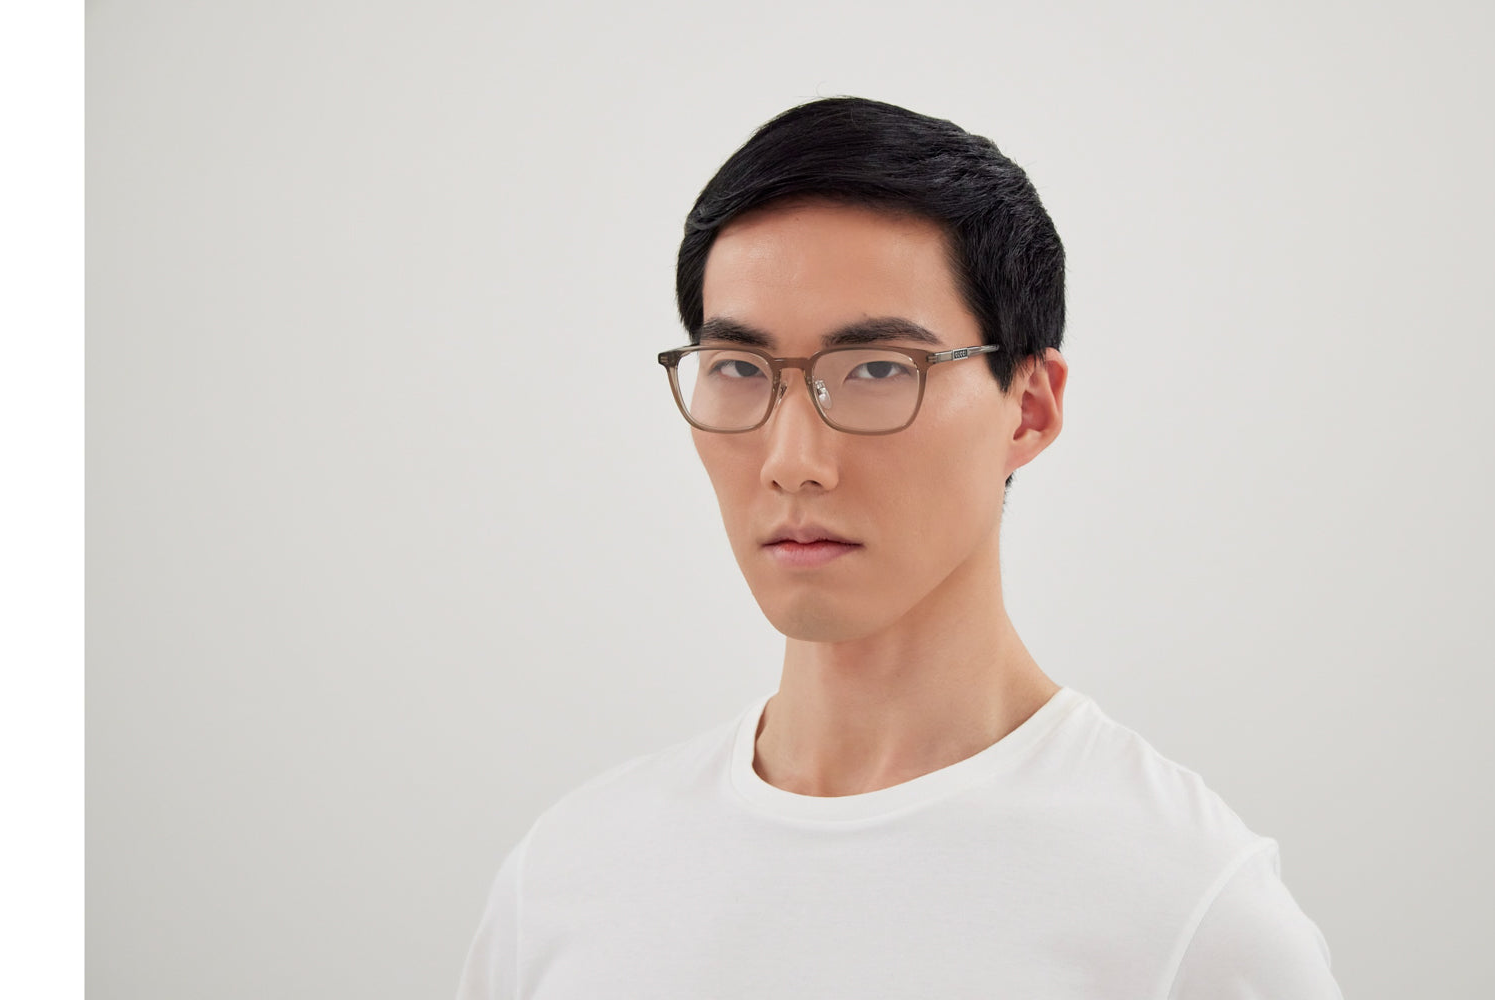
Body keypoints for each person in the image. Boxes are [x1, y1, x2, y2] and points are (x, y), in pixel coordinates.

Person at [455, 96, 1343, 999]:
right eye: (740, 370)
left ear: (1029, 408)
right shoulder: (568, 880)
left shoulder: (1185, 913)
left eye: (878, 370)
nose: (792, 461)